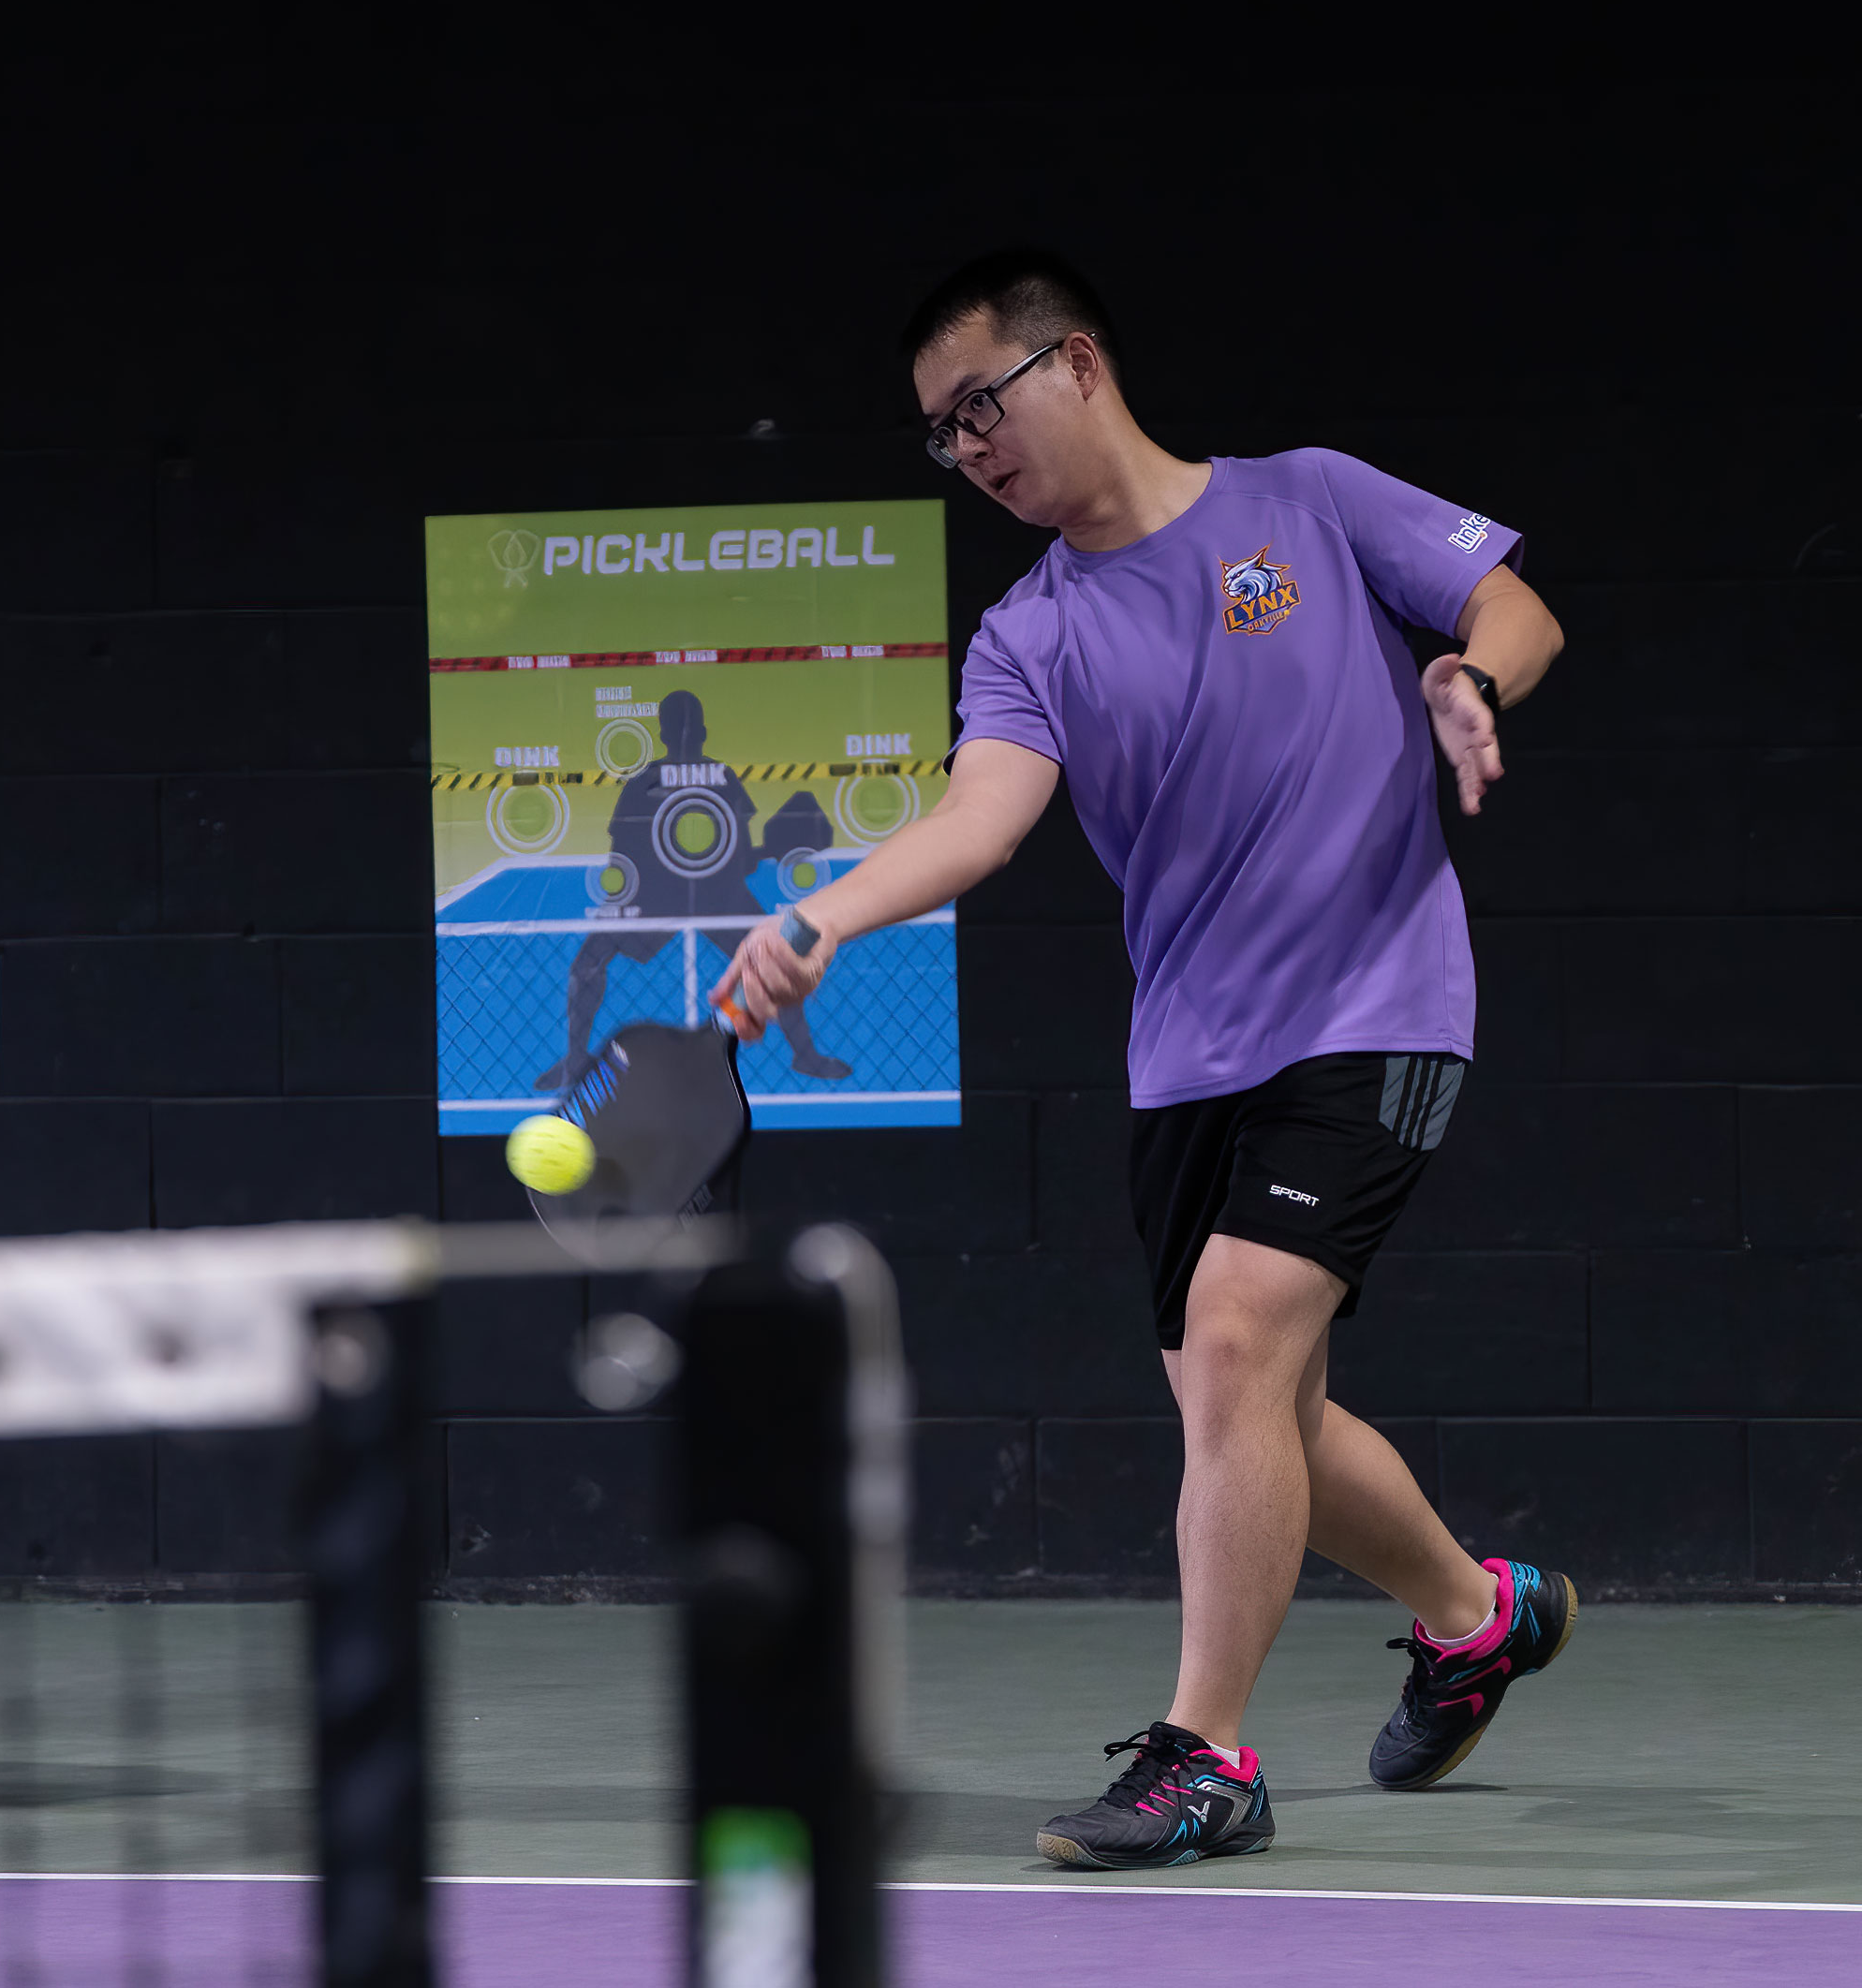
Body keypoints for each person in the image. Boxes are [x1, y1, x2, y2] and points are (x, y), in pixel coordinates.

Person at [716, 250, 1574, 1869]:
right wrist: (825, 912)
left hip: (1377, 1007)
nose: (967, 449)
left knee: (1236, 1341)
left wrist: (1471, 674)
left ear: (1079, 364)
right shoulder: (1028, 635)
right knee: (1258, 1404)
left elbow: (1513, 603)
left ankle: (1206, 1757)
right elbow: (983, 817)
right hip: (1189, 1057)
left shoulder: (1306, 502)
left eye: (980, 406)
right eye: (940, 433)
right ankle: (1479, 1616)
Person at [536, 687, 849, 1089]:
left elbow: (635, 854)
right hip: (673, 895)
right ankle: (575, 1059)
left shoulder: (686, 779)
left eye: (687, 726)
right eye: (679, 727)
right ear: (680, 732)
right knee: (588, 964)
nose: (685, 735)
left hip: (713, 894)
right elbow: (628, 853)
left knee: (778, 956)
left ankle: (805, 1055)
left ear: (680, 732)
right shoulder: (666, 781)